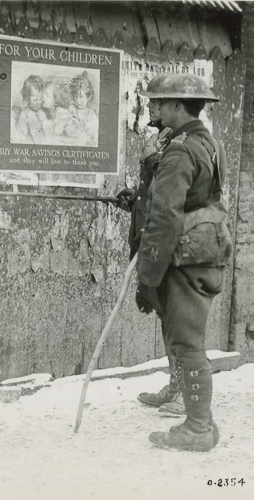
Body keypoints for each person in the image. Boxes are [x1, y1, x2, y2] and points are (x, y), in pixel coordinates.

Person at [136, 73, 232, 452]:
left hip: (186, 259)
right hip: (208, 251)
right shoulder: (210, 144)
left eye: (161, 102)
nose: (156, 107)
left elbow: (165, 218)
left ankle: (197, 428)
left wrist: (148, 277)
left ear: (178, 105)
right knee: (189, 340)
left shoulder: (179, 150)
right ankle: (201, 421)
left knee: (188, 344)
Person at [116, 100, 183, 417]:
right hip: (156, 249)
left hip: (177, 249)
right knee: (169, 321)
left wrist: (151, 160)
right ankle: (176, 387)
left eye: (158, 103)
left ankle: (188, 395)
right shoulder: (164, 141)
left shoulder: (184, 144)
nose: (150, 108)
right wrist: (134, 199)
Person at [66, 71, 99, 146]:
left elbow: (93, 136)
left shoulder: (91, 115)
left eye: (81, 97)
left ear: (89, 97)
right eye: (75, 97)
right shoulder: (71, 109)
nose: (78, 101)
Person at [15, 75, 48, 144]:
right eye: (35, 99)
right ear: (27, 97)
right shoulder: (25, 113)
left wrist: (44, 120)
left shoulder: (42, 111)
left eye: (40, 99)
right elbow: (21, 133)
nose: (38, 102)